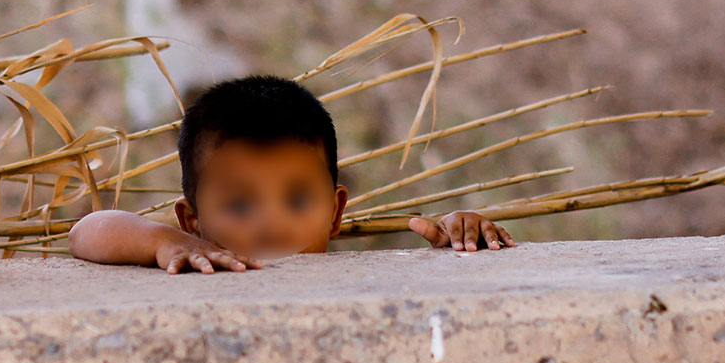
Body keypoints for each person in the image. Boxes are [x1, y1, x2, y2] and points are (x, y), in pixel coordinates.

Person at [69, 74, 515, 274]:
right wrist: (165, 243)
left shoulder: (347, 279)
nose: (271, 221)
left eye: (298, 200)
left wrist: (460, 241)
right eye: (240, 204)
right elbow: (87, 231)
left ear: (336, 211)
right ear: (193, 220)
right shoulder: (200, 260)